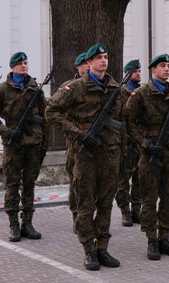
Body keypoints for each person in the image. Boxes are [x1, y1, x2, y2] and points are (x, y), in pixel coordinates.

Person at [45, 43, 122, 270]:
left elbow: (122, 123)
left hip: (109, 152)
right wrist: (78, 133)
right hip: (85, 153)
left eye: (106, 57)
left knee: (106, 202)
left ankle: (103, 248)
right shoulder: (76, 88)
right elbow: (51, 112)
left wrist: (123, 153)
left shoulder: (115, 88)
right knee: (86, 203)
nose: (103, 61)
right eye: (98, 58)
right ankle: (89, 250)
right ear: (88, 63)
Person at [125, 54, 169, 260]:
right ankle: (151, 240)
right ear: (153, 70)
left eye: (168, 66)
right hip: (150, 156)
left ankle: (165, 238)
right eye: (162, 66)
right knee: (149, 199)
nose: (167, 69)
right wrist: (145, 144)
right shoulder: (141, 94)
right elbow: (129, 123)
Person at [0, 52, 48, 242]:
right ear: (12, 67)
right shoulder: (3, 89)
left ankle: (27, 223)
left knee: (29, 184)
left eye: (26, 63)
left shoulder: (35, 88)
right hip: (13, 143)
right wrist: (6, 132)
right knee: (12, 185)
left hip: (33, 143)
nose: (24, 66)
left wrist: (43, 141)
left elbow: (45, 116)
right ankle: (13, 225)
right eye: (20, 64)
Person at [59, 52, 90, 231]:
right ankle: (76, 214)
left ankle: (88, 217)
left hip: (94, 143)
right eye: (84, 64)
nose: (87, 67)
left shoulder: (96, 86)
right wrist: (73, 129)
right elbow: (56, 113)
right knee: (75, 181)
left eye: (89, 63)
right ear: (78, 67)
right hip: (75, 143)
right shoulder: (68, 87)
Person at [115, 59, 142, 227]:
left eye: (139, 71)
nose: (138, 74)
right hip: (125, 141)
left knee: (139, 178)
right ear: (128, 73)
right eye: (135, 71)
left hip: (140, 140)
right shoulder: (120, 92)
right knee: (123, 179)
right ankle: (125, 210)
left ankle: (136, 209)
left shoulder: (143, 91)